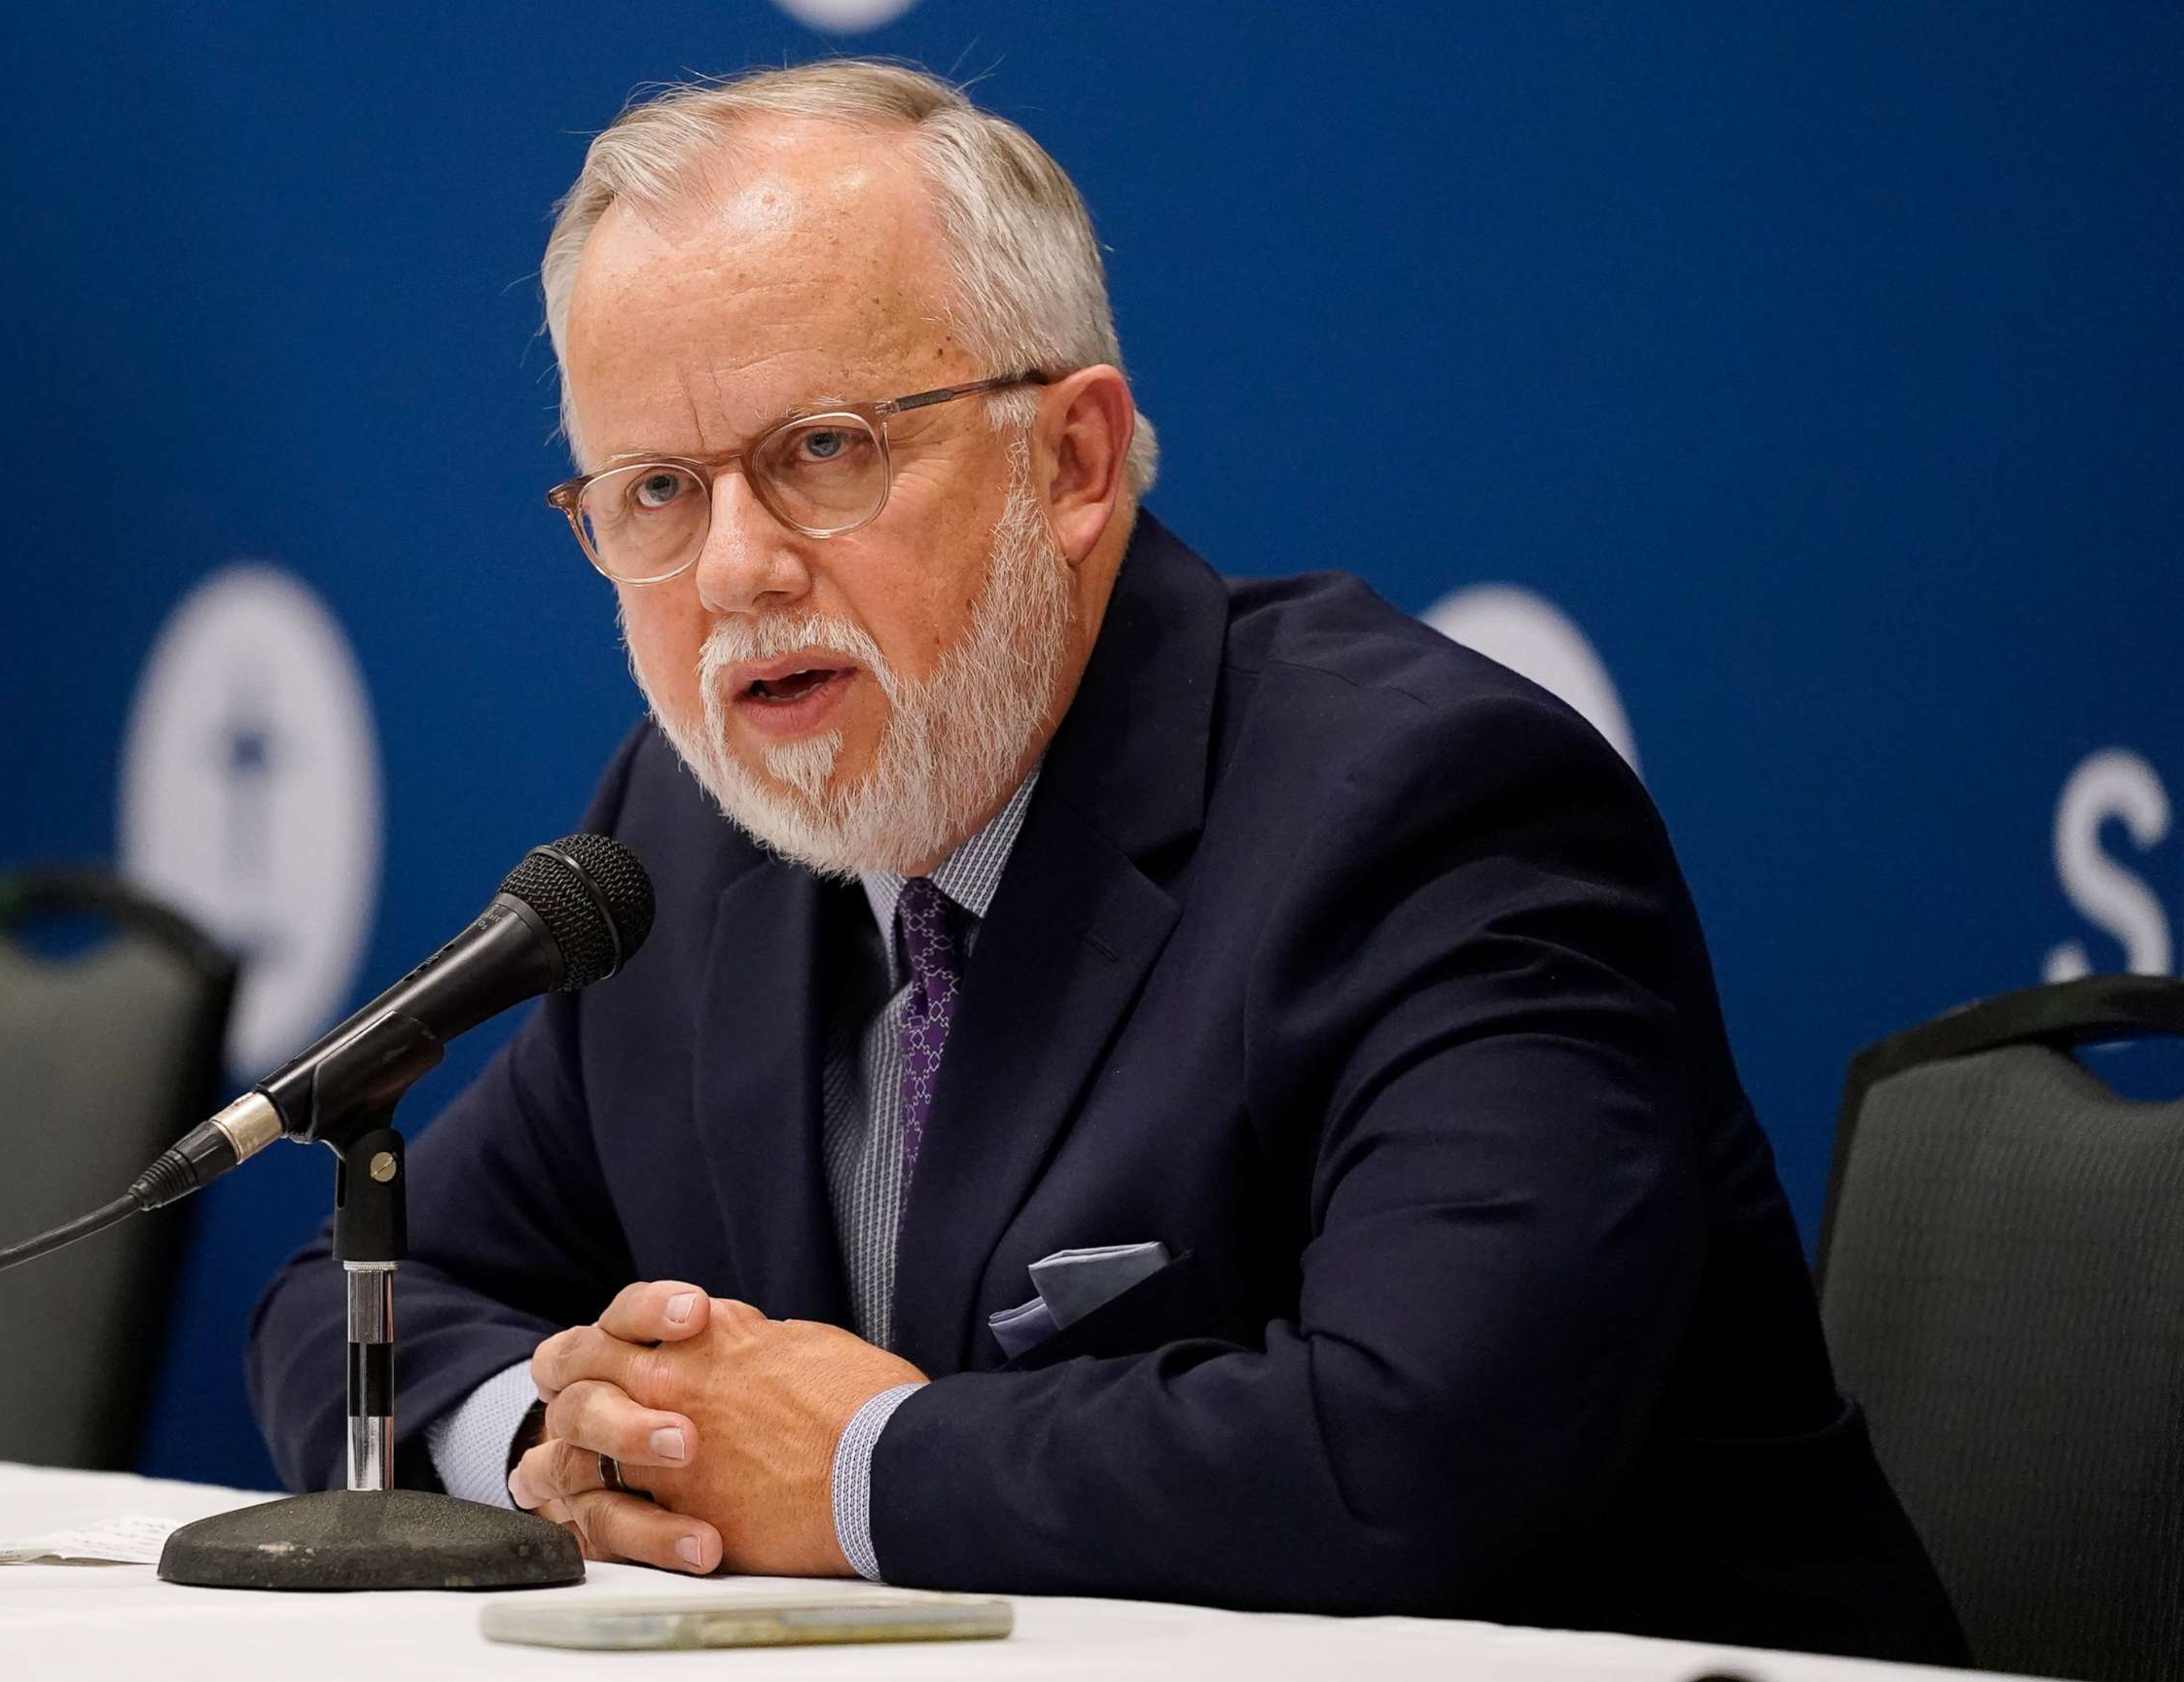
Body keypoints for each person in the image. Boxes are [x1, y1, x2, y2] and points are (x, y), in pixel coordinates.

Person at [249, 59, 1963, 1662]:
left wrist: (857, 1467)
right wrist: (576, 1437)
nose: (737, 570)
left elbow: (1417, 1442)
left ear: (1069, 458)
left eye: (822, 451)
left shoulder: (1426, 807)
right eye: (654, 492)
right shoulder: (685, 837)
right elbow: (356, 1293)